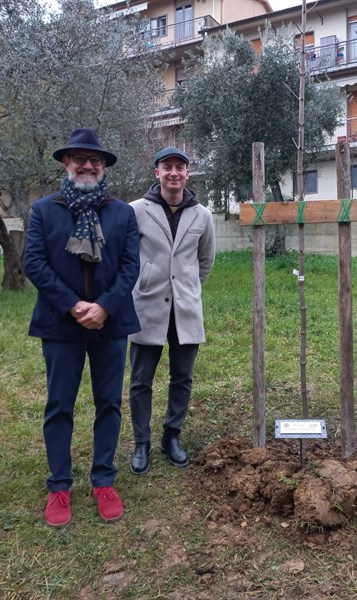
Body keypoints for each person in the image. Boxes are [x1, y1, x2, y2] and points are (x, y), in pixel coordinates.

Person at [24, 128, 140, 527]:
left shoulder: (123, 213)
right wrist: (74, 305)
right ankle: (59, 485)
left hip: (110, 324)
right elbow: (34, 264)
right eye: (80, 158)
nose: (87, 164)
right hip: (61, 324)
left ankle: (103, 479)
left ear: (104, 165)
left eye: (95, 159)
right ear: (66, 162)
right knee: (60, 406)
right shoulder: (44, 209)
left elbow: (131, 267)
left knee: (109, 403)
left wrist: (104, 307)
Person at [128, 147, 215, 475]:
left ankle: (171, 436)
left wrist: (188, 287)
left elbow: (205, 260)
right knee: (140, 380)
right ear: (157, 173)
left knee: (182, 377)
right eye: (168, 167)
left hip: (185, 309)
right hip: (147, 305)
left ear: (188, 173)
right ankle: (141, 442)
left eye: (180, 167)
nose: (174, 173)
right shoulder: (136, 211)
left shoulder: (202, 215)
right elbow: (126, 256)